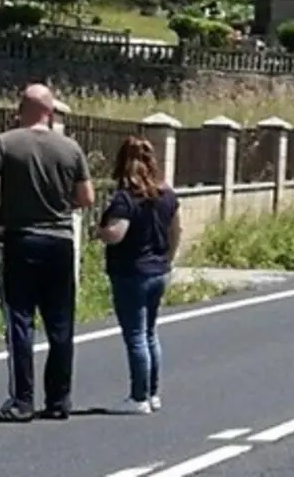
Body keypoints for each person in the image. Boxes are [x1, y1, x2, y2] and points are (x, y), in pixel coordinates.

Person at [0, 84, 94, 422]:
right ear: (51, 112)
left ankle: (22, 400)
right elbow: (87, 198)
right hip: (59, 242)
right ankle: (58, 400)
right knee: (60, 324)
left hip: (21, 241)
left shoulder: (5, 143)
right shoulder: (70, 148)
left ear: (21, 109)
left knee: (20, 320)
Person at [94, 136, 181, 415]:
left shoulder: (125, 197)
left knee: (135, 335)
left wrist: (99, 232)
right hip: (158, 270)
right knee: (150, 332)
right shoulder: (167, 195)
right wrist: (167, 259)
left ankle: (138, 397)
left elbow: (117, 234)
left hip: (131, 272)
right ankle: (154, 393)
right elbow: (175, 231)